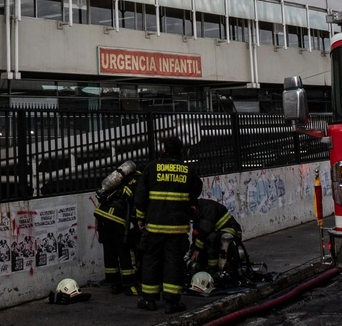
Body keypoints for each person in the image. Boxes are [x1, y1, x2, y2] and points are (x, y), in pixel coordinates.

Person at [133, 134, 202, 314]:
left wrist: (140, 218)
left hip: (154, 227)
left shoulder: (151, 168)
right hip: (177, 228)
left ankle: (149, 300)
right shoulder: (187, 170)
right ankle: (172, 302)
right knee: (174, 262)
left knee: (151, 261)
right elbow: (196, 191)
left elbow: (140, 196)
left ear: (163, 150)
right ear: (181, 151)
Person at [94, 160, 139, 295]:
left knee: (109, 251)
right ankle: (130, 284)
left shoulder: (116, 180)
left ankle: (114, 284)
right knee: (125, 251)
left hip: (101, 214)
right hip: (116, 218)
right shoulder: (138, 180)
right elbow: (135, 200)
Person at [189, 197, 243, 279]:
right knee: (205, 243)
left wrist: (197, 249)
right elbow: (197, 233)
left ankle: (213, 271)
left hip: (231, 230)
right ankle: (205, 268)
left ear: (193, 207)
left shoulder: (208, 207)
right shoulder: (197, 213)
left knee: (211, 239)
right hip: (217, 232)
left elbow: (205, 230)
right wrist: (192, 251)